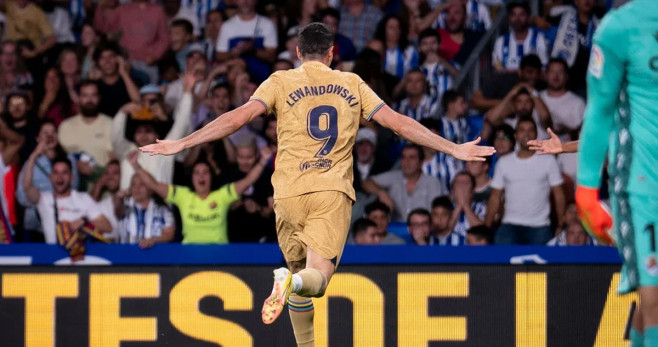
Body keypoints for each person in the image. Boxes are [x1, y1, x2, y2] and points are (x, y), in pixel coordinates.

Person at [138, 23, 493, 345]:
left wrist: (182, 144)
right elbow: (398, 123)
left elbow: (236, 118)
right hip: (329, 191)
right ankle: (288, 281)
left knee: (301, 287)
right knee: (316, 280)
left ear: (297, 52)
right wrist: (452, 148)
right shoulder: (352, 83)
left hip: (288, 195)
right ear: (332, 53)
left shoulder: (279, 80)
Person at [575, 1, 658, 344]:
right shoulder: (619, 28)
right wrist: (585, 190)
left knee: (650, 301)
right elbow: (599, 111)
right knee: (654, 299)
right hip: (641, 183)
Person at [129, 146, 271, 244]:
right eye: (197, 172)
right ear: (192, 178)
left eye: (205, 172)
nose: (201, 176)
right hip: (189, 256)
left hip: (220, 255)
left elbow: (248, 180)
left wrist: (263, 160)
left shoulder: (222, 195)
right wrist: (135, 166)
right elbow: (154, 185)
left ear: (211, 176)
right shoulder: (182, 195)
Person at [485, 117, 565, 244]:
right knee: (501, 262)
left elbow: (558, 194)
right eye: (522, 130)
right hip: (509, 225)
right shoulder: (504, 162)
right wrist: (486, 228)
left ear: (536, 134)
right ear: (516, 135)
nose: (526, 134)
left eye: (530, 130)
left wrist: (561, 225)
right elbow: (495, 197)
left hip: (540, 226)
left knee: (543, 263)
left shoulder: (548, 160)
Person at [22, 153, 112, 244]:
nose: (60, 177)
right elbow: (26, 186)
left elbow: (107, 227)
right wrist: (33, 157)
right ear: (51, 178)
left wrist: (84, 221)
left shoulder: (83, 198)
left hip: (79, 254)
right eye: (56, 172)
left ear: (72, 177)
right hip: (54, 256)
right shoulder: (44, 199)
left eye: (64, 173)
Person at [16, 121, 80, 241]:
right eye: (45, 133)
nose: (50, 136)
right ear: (38, 138)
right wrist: (42, 202)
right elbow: (22, 197)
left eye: (53, 132)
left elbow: (73, 187)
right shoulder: (30, 163)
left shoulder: (69, 160)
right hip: (36, 228)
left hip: (66, 224)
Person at [363, 144, 445, 222]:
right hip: (395, 232)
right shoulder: (394, 177)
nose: (406, 161)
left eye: (411, 158)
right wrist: (381, 192)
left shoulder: (432, 182)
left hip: (422, 230)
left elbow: (435, 215)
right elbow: (366, 183)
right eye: (403, 157)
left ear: (421, 163)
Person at [94, 0, 169, 83]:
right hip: (126, 63)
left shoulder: (157, 10)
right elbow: (103, 27)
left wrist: (155, 55)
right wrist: (100, 7)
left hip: (147, 63)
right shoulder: (122, 10)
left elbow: (164, 38)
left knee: (149, 94)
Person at [58, 80, 114, 167]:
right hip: (72, 177)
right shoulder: (65, 126)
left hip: (102, 175)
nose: (89, 100)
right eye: (85, 95)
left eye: (93, 95)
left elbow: (114, 158)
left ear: (99, 98)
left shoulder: (110, 124)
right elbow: (61, 158)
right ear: (79, 98)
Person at [116, 173, 175, 248]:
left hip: (154, 256)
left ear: (150, 189)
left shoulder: (163, 209)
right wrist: (118, 199)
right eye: (133, 184)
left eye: (142, 185)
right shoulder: (124, 206)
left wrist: (153, 240)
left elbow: (169, 234)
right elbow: (117, 211)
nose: (137, 188)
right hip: (125, 256)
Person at [492, 1, 548, 71]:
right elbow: (497, 69)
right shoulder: (501, 41)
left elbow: (543, 66)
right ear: (509, 18)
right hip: (506, 81)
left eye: (521, 15)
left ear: (528, 17)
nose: (517, 19)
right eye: (513, 15)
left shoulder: (539, 38)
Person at [539, 58, 586, 140]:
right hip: (539, 150)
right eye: (552, 72)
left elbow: (584, 133)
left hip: (568, 150)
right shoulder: (536, 98)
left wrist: (568, 130)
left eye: (560, 72)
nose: (556, 76)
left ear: (567, 76)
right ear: (545, 75)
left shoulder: (578, 103)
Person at [417, 28, 459, 102]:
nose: (429, 47)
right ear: (419, 48)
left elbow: (461, 76)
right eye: (425, 44)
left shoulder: (451, 64)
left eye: (433, 43)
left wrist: (441, 60)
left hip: (447, 108)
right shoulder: (417, 70)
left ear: (440, 45)